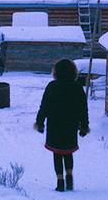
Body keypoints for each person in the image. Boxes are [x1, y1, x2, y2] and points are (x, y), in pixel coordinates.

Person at [34, 58, 90, 192]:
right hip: (71, 124)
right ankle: (69, 177)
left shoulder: (52, 86)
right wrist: (84, 125)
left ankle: (60, 181)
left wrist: (40, 122)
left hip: (55, 124)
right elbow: (83, 108)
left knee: (57, 153)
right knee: (68, 151)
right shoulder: (77, 87)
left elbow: (44, 106)